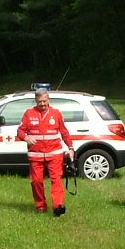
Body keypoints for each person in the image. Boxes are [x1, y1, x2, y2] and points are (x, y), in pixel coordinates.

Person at [17, 87, 75, 216]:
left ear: (48, 100)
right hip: (35, 155)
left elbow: (64, 132)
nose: (42, 104)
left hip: (54, 154)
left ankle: (58, 206)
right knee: (36, 181)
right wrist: (25, 137)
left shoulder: (56, 113)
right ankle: (41, 206)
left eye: (44, 101)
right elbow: (20, 131)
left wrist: (71, 148)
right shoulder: (29, 114)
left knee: (56, 180)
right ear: (35, 101)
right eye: (39, 102)